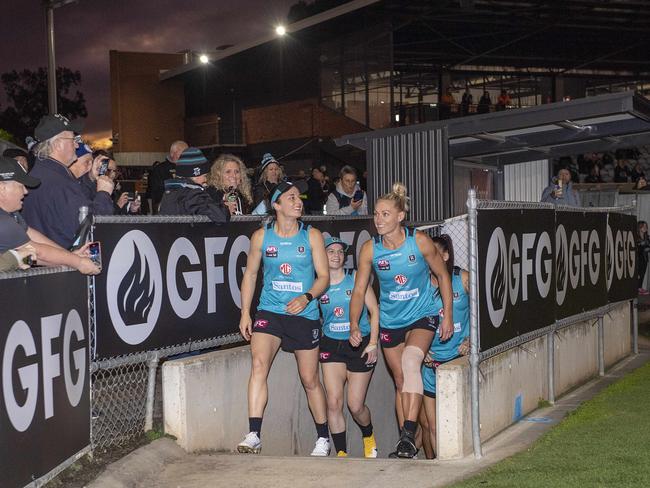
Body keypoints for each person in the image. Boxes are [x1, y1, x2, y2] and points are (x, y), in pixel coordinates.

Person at [349, 182, 453, 459]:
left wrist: (448, 317)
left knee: (410, 362)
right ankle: (406, 442)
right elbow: (359, 290)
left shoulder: (418, 241)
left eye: (385, 214)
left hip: (422, 314)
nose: (378, 219)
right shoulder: (370, 249)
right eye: (376, 214)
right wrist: (354, 323)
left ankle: (408, 433)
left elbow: (443, 276)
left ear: (400, 216)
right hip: (391, 321)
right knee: (399, 381)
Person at [237, 180, 331, 456]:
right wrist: (245, 312)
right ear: (276, 205)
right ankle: (254, 433)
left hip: (304, 313)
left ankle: (323, 438)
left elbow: (324, 277)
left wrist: (307, 297)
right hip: (270, 311)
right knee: (258, 364)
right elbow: (251, 275)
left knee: (310, 378)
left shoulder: (312, 235)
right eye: (290, 198)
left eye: (299, 198)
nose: (298, 202)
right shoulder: (261, 237)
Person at [319, 236, 379, 458]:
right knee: (333, 402)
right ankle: (341, 453)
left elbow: (374, 311)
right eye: (330, 251)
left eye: (340, 251)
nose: (336, 255)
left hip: (359, 345)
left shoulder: (356, 279)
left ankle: (368, 435)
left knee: (355, 406)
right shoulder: (318, 284)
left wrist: (373, 343)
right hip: (331, 345)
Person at [22, 114, 115, 248]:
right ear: (58, 144)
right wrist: (104, 194)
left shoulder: (38, 174)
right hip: (65, 264)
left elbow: (70, 206)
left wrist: (89, 179)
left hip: (45, 262)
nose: (77, 145)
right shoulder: (59, 182)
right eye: (73, 140)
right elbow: (89, 227)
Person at [0, 155, 99, 275]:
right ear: (2, 188)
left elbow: (33, 247)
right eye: (21, 186)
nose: (26, 192)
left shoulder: (11, 215)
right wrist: (78, 262)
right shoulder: (3, 222)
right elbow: (39, 252)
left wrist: (70, 257)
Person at [418, 235, 470, 459]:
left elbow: (483, 313)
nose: (429, 260)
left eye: (435, 254)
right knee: (432, 426)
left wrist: (471, 341)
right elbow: (410, 321)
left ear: (446, 255)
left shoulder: (463, 278)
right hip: (429, 364)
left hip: (458, 359)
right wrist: (422, 349)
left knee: (459, 423)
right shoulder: (420, 286)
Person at [159, 147, 230, 223]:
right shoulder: (192, 194)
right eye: (204, 176)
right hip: (187, 234)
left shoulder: (170, 192)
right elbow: (221, 216)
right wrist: (225, 207)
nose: (205, 180)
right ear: (196, 175)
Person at [148, 140, 188, 214]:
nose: (186, 155)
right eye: (183, 152)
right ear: (173, 153)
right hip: (166, 210)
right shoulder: (159, 169)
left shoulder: (188, 169)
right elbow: (156, 193)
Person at [636, 221, 650, 295]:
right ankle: (637, 288)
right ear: (639, 227)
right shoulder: (636, 237)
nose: (645, 228)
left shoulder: (646, 237)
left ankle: (640, 288)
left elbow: (648, 246)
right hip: (638, 259)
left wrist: (647, 248)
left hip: (644, 259)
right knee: (638, 274)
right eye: (643, 226)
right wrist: (642, 246)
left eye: (646, 226)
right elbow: (637, 248)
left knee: (642, 274)